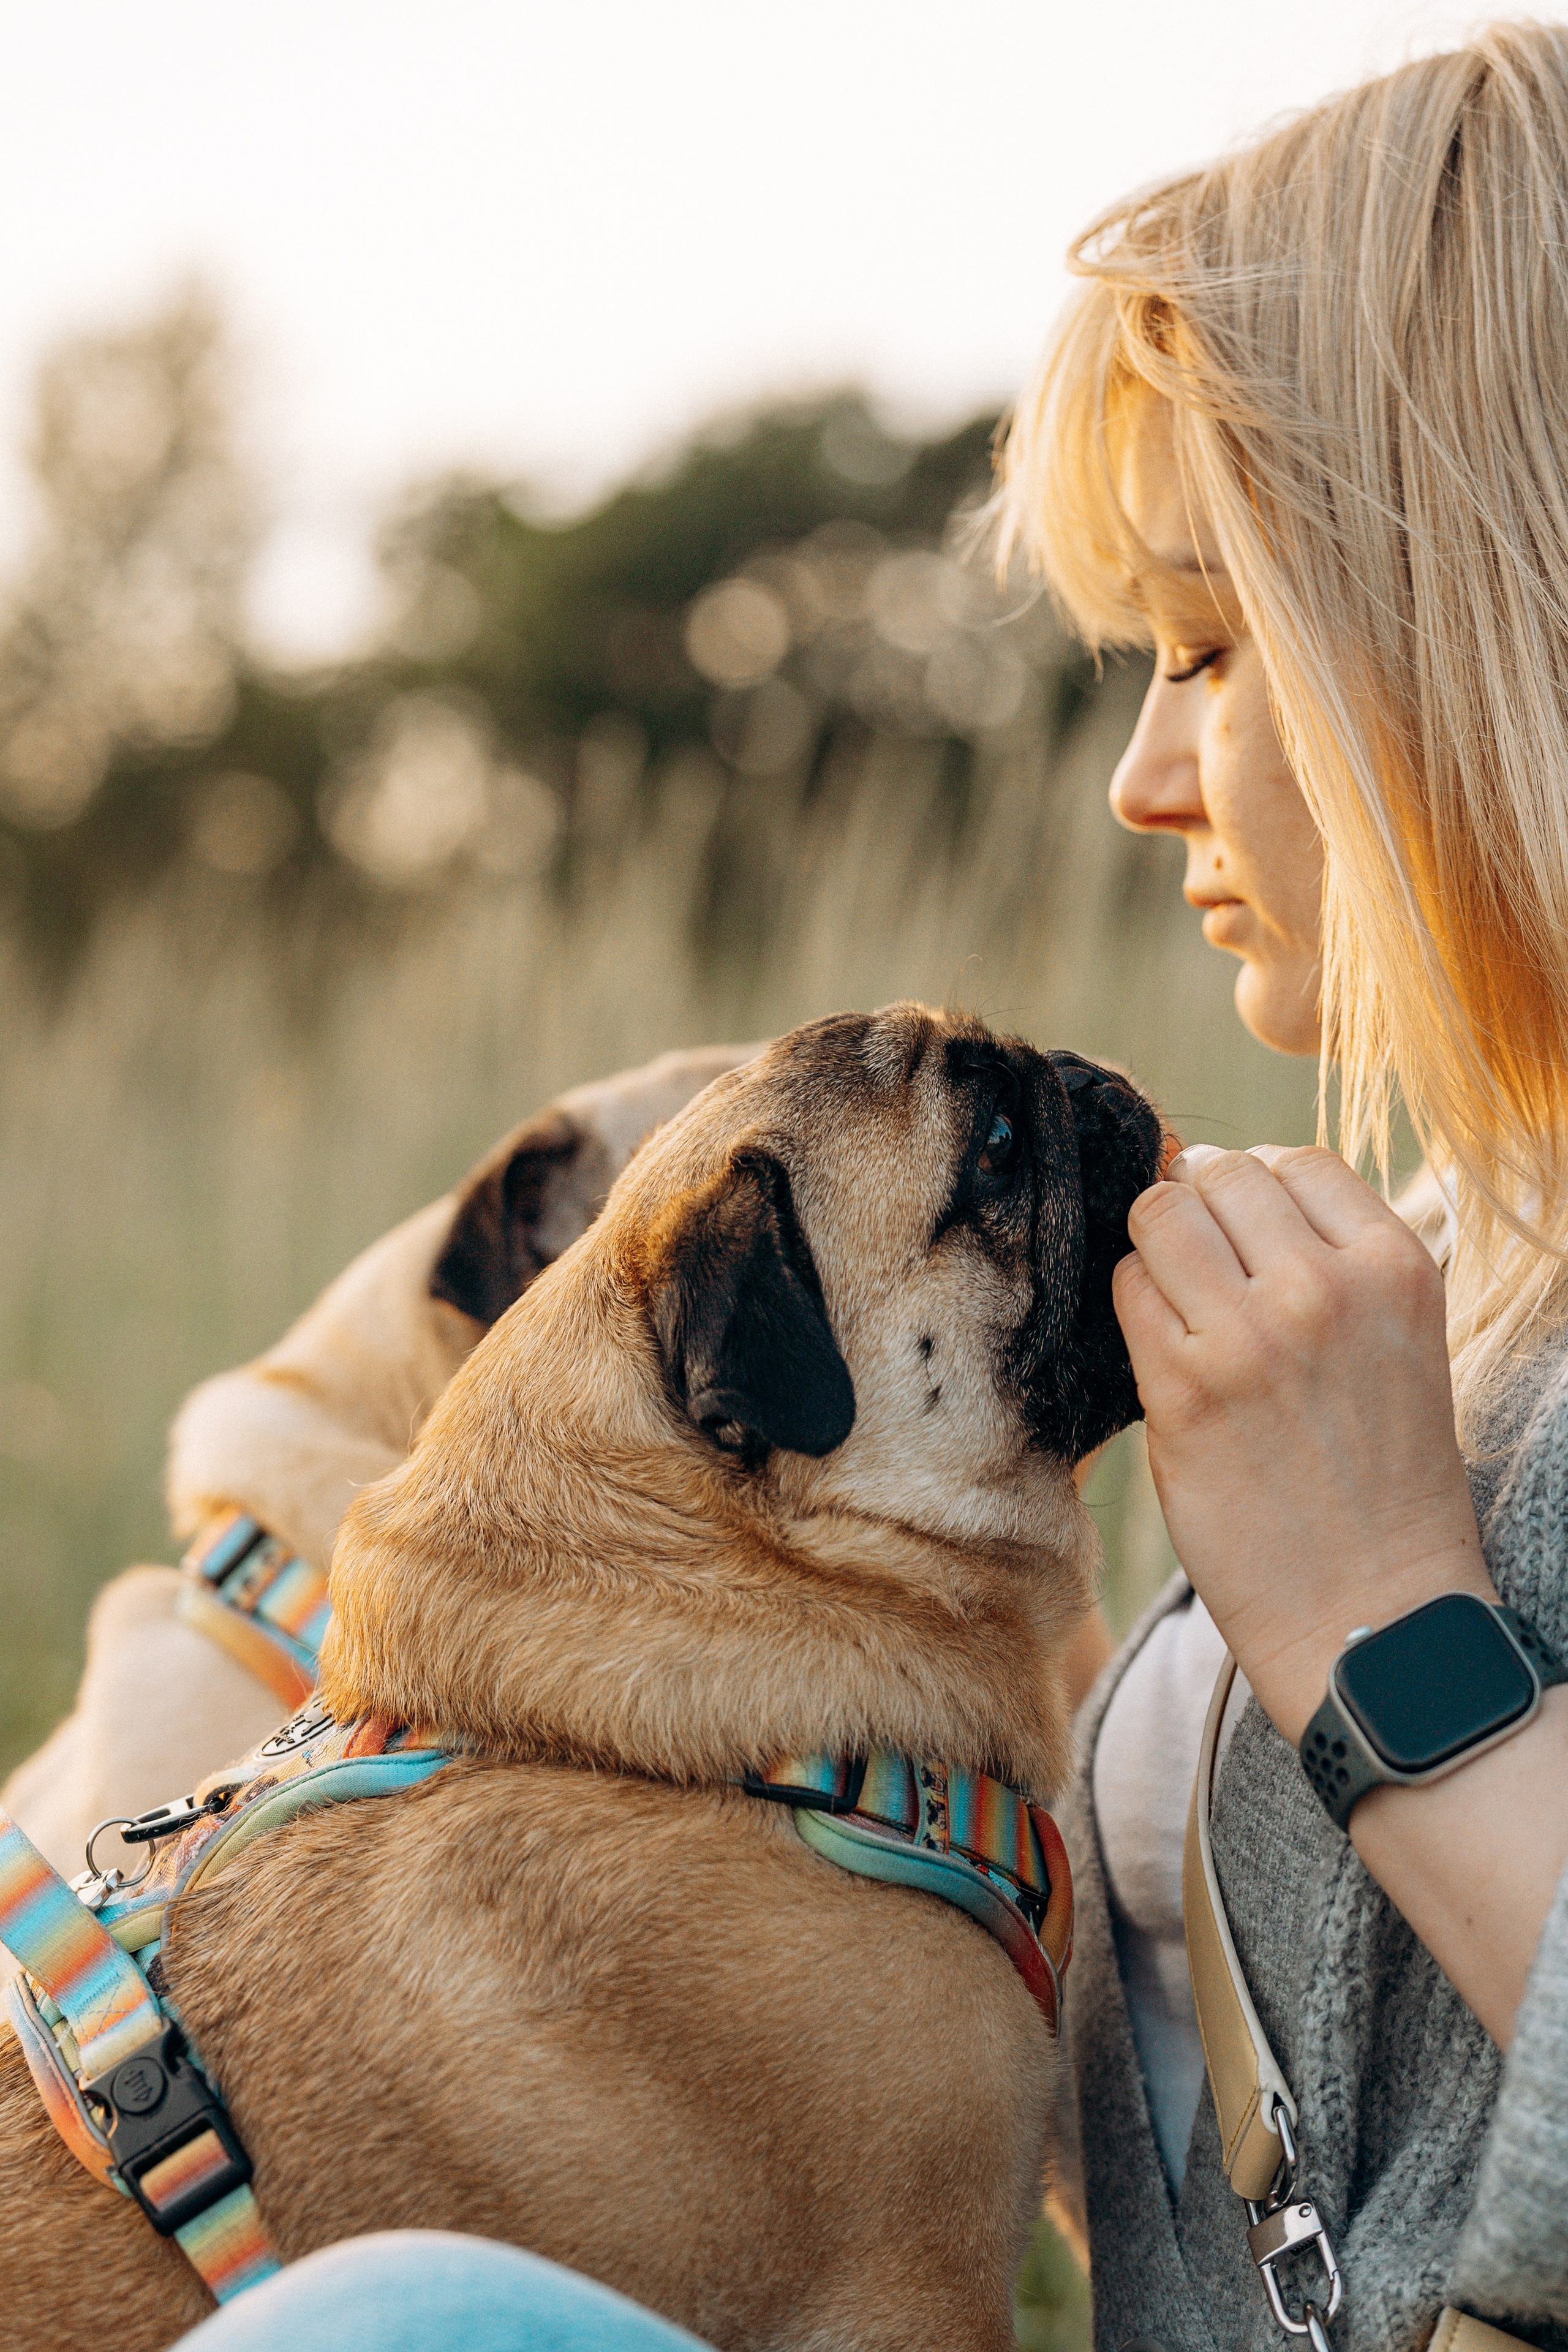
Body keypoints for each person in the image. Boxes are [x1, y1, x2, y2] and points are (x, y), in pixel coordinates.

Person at [990, 19, 1568, 2347]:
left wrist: (1378, 1630)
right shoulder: (1445, 1269)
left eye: (1214, 641)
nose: (1142, 779)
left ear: (1474, 616)